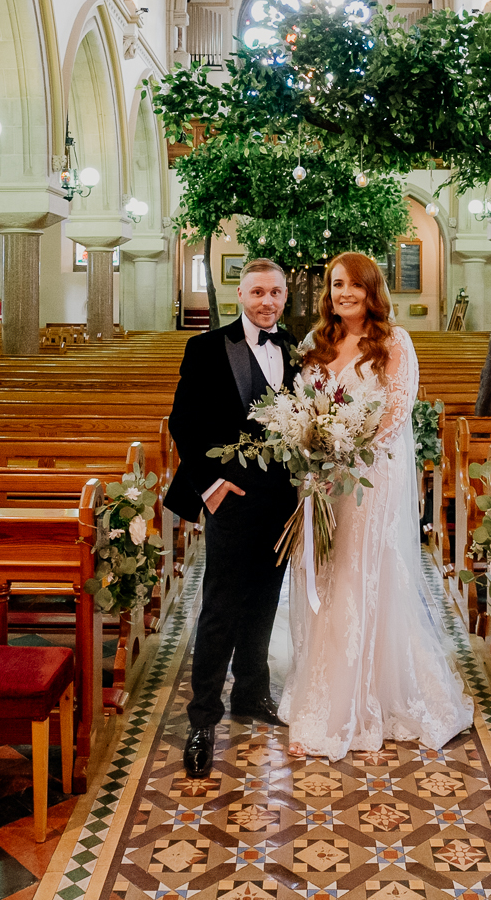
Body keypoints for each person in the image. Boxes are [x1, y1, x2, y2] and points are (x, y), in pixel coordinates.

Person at [280, 252, 472, 760]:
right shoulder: (317, 345)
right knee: (327, 573)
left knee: (361, 575)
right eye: (336, 284)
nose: (344, 293)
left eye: (355, 286)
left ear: (372, 291)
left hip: (368, 479)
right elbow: (301, 409)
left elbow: (396, 411)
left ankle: (363, 698)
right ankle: (323, 688)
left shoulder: (394, 342)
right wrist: (312, 448)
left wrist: (343, 449)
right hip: (323, 480)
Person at [165, 260, 299, 777]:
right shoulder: (205, 347)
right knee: (220, 607)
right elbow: (184, 421)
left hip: (280, 500)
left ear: (285, 297)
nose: (268, 302)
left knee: (265, 600)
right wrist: (212, 486)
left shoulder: (292, 347)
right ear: (241, 294)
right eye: (258, 292)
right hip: (230, 496)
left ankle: (251, 692)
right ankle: (202, 719)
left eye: (276, 293)